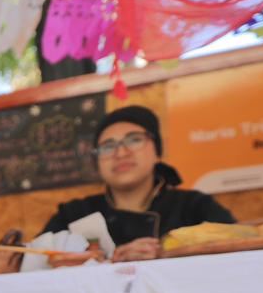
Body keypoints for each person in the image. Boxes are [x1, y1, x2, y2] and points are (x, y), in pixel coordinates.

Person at [41, 106, 236, 262]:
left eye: (134, 140)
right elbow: (37, 265)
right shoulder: (73, 215)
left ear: (157, 151)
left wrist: (167, 255)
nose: (121, 153)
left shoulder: (195, 207)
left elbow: (237, 256)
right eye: (108, 146)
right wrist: (109, 264)